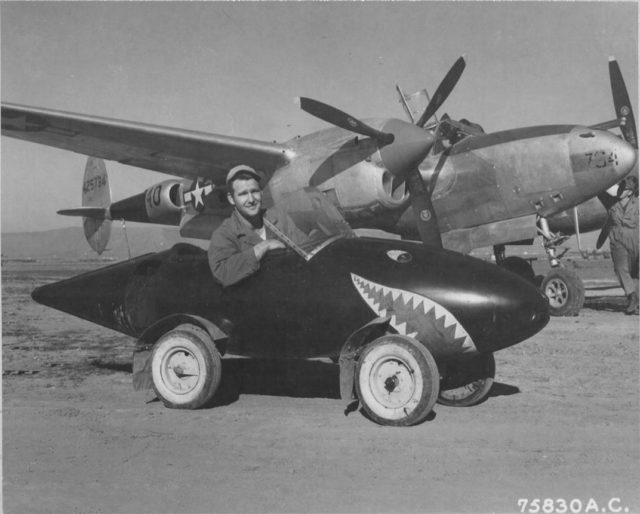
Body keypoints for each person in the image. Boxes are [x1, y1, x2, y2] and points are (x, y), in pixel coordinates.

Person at [208, 165, 308, 287]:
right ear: (231, 199)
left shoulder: (278, 218)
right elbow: (222, 273)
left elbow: (305, 248)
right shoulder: (224, 234)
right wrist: (263, 247)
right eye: (243, 194)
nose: (251, 199)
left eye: (254, 191)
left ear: (261, 192)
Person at [601, 175, 639, 314]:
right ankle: (632, 296)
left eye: (625, 189)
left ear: (631, 191)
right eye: (621, 188)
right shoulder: (610, 202)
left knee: (636, 272)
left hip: (637, 238)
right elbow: (598, 190)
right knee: (620, 269)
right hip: (617, 239)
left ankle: (637, 302)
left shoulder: (638, 203)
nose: (621, 191)